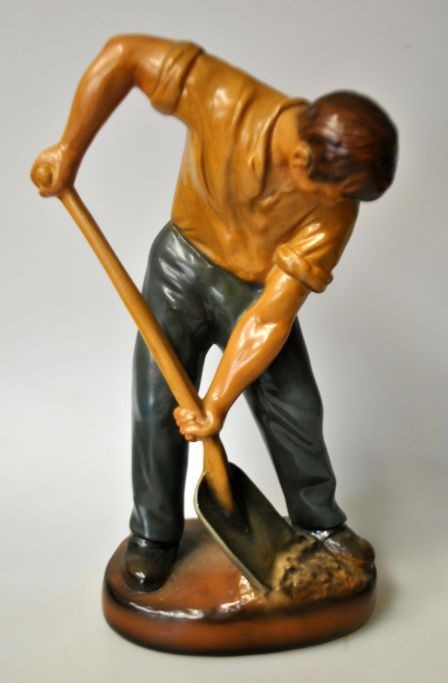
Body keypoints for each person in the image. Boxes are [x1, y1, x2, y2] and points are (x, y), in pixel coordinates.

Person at [32, 35, 397, 592]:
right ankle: (154, 534)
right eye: (337, 193)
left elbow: (271, 315)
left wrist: (216, 403)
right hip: (181, 266)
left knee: (296, 406)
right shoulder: (227, 101)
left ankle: (320, 523)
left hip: (255, 291)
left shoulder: (337, 210)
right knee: (156, 403)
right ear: (303, 159)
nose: (339, 206)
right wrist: (69, 148)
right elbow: (125, 55)